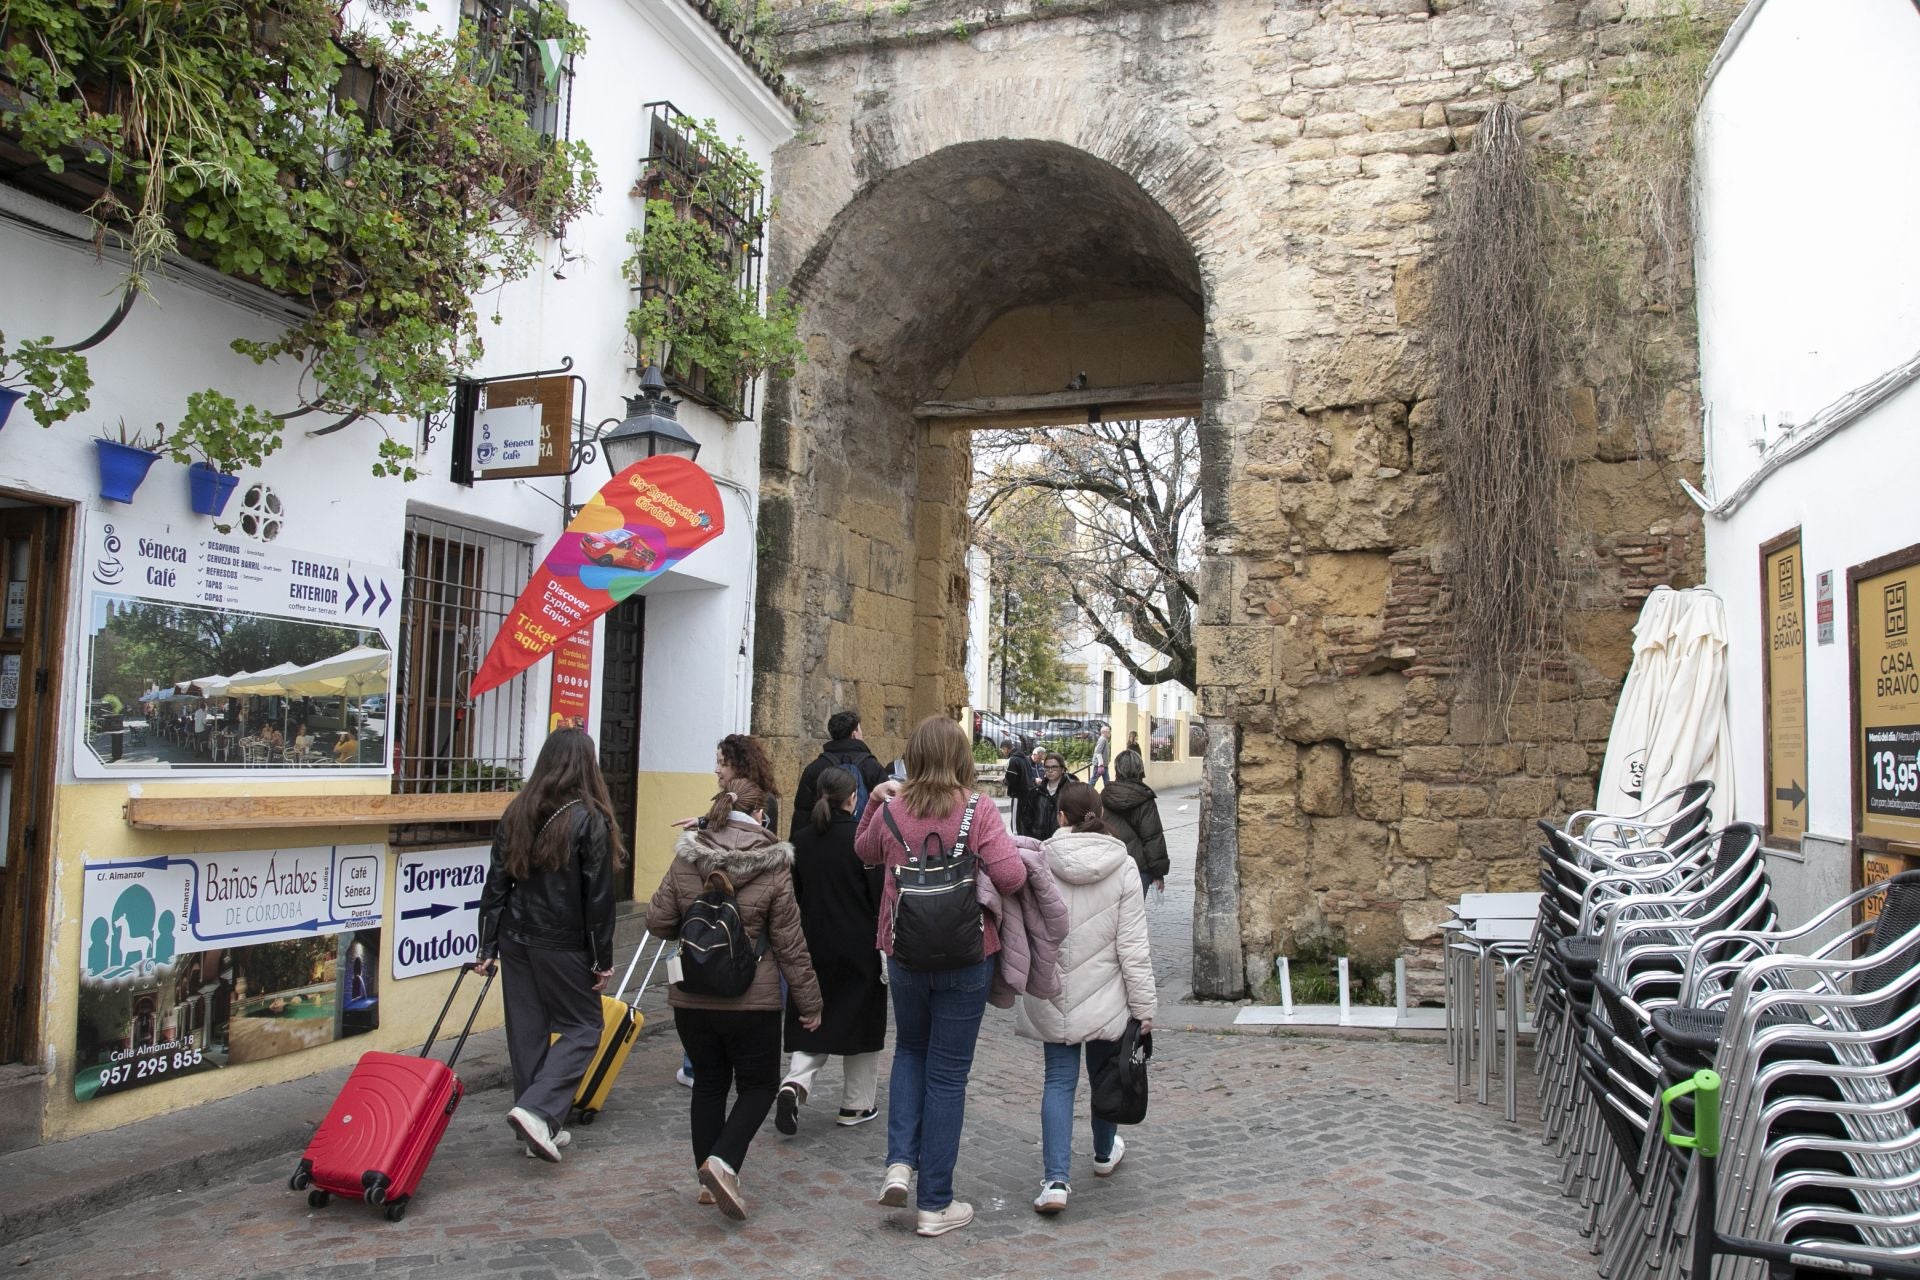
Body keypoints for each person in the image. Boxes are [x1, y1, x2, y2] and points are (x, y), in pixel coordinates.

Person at [855, 715, 1028, 1238]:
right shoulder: (977, 810)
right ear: (960, 758)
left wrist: (874, 800)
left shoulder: (890, 811)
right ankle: (935, 1203)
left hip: (904, 952)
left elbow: (862, 851)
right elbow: (1012, 877)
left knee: (909, 1050)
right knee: (948, 1074)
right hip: (965, 954)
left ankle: (899, 1164)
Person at [646, 780, 822, 1221]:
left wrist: (696, 920)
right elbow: (790, 944)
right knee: (759, 1085)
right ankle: (723, 1163)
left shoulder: (689, 855)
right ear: (760, 815)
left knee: (708, 1084)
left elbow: (656, 920)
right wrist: (810, 1003)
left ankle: (708, 1183)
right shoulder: (774, 865)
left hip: (693, 995)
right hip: (752, 999)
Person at [473, 729, 621, 1164]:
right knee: (583, 1027)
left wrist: (487, 944)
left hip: (516, 935)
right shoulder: (590, 818)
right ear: (586, 765)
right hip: (562, 939)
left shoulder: (519, 809)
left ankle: (539, 1124)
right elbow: (598, 897)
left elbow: (496, 880)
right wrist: (601, 958)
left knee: (528, 1029)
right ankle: (538, 1111)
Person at [1017, 782, 1155, 1214]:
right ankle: (1102, 1153)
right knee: (1104, 1075)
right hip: (1105, 991)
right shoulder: (1124, 866)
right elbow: (1133, 946)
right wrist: (1144, 1007)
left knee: (1058, 1081)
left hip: (1052, 987)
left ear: (1060, 817)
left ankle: (1055, 1180)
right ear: (1100, 815)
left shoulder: (1039, 860)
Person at [776, 766, 888, 1134]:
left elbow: (792, 896)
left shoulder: (800, 841)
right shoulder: (863, 839)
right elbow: (879, 896)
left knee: (814, 1016)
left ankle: (796, 1082)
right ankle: (856, 1105)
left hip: (812, 942)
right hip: (859, 945)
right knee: (862, 1023)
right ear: (853, 797)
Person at [790, 710, 889, 839]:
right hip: (862, 843)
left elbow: (802, 813)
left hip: (820, 843)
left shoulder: (814, 768)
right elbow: (886, 810)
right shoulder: (872, 767)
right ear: (854, 734)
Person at [1100, 749, 1170, 896]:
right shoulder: (1144, 798)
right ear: (1140, 769)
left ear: (1117, 769)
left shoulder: (1105, 795)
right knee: (1133, 914)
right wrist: (1158, 873)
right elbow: (1152, 837)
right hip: (1138, 867)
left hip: (1109, 863)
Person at [717, 733, 781, 835]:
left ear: (740, 766)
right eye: (718, 763)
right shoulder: (725, 796)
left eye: (723, 764)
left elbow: (766, 843)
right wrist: (702, 822)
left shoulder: (765, 799)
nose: (717, 770)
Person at [1004, 744, 1042, 837]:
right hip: (1027, 794)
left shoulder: (1014, 760)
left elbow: (1011, 778)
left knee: (1015, 820)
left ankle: (1017, 840)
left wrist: (1004, 780)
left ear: (1006, 748)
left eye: (1002, 750)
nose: (1002, 752)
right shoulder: (1025, 759)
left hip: (1018, 794)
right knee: (1022, 819)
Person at [1031, 753, 1069, 841]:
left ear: (1062, 769)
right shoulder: (1036, 792)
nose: (1050, 770)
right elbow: (1028, 819)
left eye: (1054, 767)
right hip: (1039, 842)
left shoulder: (1070, 791)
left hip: (1061, 841)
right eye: (1047, 767)